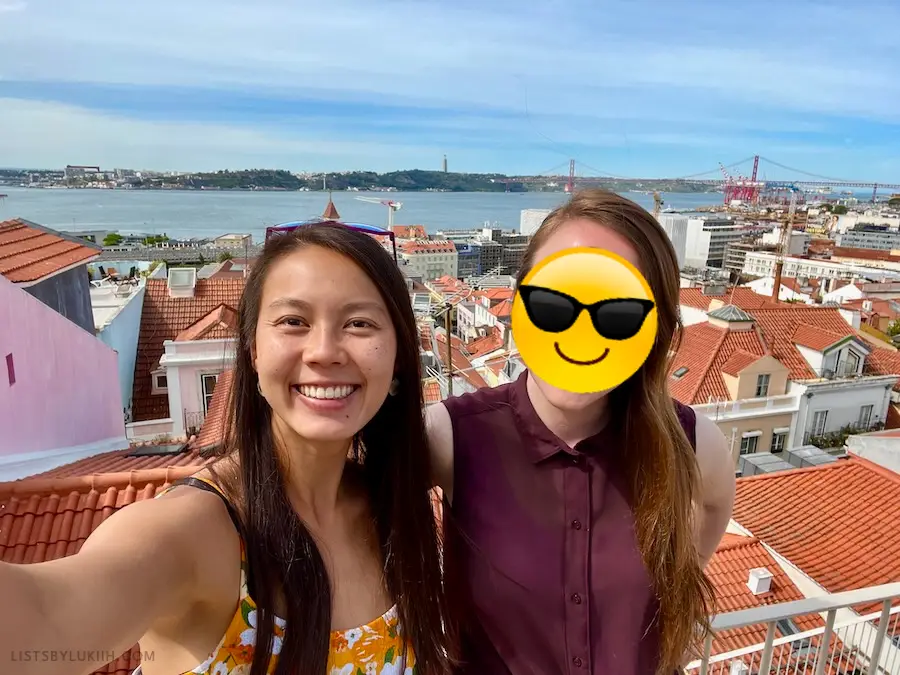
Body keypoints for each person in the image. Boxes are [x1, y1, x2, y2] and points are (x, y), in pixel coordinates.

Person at [0, 222, 455, 675]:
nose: (323, 351)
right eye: (293, 321)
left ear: (398, 355)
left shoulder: (392, 510)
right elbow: (47, 619)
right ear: (254, 351)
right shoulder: (194, 533)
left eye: (359, 323)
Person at [428, 189, 736, 675]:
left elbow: (717, 504)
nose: (580, 334)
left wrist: (682, 574)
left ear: (652, 328)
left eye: (616, 316)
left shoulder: (692, 443)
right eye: (553, 306)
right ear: (518, 301)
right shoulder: (452, 435)